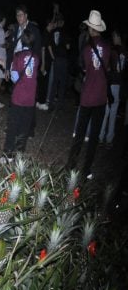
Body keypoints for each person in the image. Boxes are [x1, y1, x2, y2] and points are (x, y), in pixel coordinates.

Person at [64, 10, 112, 180]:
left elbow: (82, 68)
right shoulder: (108, 47)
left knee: (80, 133)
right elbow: (109, 70)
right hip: (100, 97)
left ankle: (71, 165)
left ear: (91, 29)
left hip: (87, 96)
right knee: (93, 137)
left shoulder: (85, 48)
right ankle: (86, 170)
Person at [0, 30, 39, 162]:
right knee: (24, 127)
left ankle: (8, 154)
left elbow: (15, 77)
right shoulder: (36, 57)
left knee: (13, 126)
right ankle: (19, 153)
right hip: (30, 97)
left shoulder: (17, 56)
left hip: (18, 96)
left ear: (21, 41)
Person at [99, 29, 123, 148]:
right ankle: (109, 139)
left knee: (106, 112)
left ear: (118, 36)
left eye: (114, 36)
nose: (113, 38)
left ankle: (100, 137)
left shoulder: (112, 51)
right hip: (119, 85)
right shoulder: (126, 51)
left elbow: (106, 69)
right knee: (113, 113)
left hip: (111, 84)